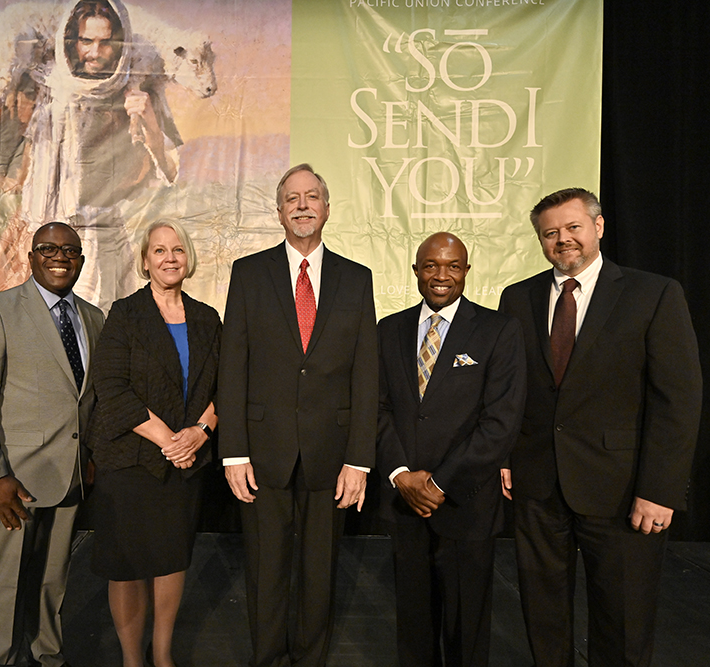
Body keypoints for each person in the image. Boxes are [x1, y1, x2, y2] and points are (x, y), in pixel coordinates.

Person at [498, 188, 702, 667]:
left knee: (623, 620)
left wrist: (661, 488)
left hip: (624, 489)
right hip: (537, 484)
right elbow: (508, 389)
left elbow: (678, 399)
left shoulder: (654, 293)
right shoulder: (518, 297)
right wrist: (506, 456)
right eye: (550, 233)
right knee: (543, 616)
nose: (562, 239)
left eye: (573, 227)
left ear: (599, 227)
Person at [217, 163, 378, 667]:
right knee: (265, 570)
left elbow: (365, 374)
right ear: (280, 210)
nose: (303, 205)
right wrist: (234, 451)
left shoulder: (357, 278)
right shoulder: (249, 272)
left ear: (327, 209)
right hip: (262, 453)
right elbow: (233, 366)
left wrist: (360, 460)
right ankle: (267, 658)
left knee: (320, 569)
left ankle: (310, 658)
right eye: (292, 198)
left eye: (312, 197)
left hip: (332, 456)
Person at [0, 0, 180, 312]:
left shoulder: (134, 89)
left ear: (120, 42)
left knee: (91, 340)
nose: (94, 53)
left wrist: (149, 122)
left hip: (96, 244)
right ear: (71, 40)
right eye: (86, 41)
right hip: (34, 236)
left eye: (105, 42)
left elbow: (170, 170)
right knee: (25, 339)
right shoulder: (35, 85)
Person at [0, 221, 105, 667]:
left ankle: (47, 656)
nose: (60, 256)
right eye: (48, 248)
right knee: (6, 581)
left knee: (52, 580)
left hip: (69, 475)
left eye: (70, 251)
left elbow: (89, 399)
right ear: (31, 256)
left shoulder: (93, 318)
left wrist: (89, 455)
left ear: (81, 259)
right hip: (12, 481)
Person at [377, 232, 526, 667]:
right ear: (416, 271)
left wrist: (440, 482)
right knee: (414, 627)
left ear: (465, 270)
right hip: (405, 502)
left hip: (465, 502)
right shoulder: (389, 329)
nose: (441, 275)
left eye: (453, 266)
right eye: (431, 265)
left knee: (467, 629)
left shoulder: (498, 330)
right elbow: (376, 409)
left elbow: (500, 422)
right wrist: (401, 475)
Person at [86, 220, 221, 667]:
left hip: (185, 462)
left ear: (189, 258)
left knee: (171, 558)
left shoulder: (207, 318)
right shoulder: (124, 314)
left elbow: (227, 385)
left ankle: (161, 654)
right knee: (126, 566)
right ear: (145, 261)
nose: (169, 258)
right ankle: (132, 659)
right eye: (159, 250)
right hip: (130, 459)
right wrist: (170, 440)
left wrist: (199, 433)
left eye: (177, 249)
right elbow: (111, 387)